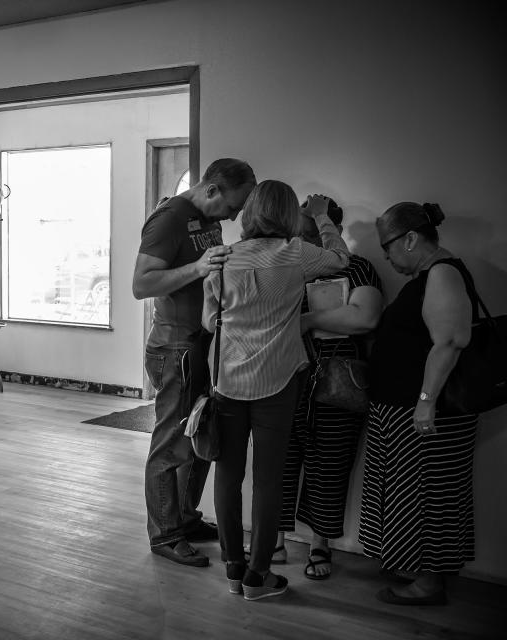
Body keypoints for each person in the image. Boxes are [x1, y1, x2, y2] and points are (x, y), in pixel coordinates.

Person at [202, 182, 349, 601]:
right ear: (287, 215)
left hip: (227, 380)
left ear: (248, 212)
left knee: (228, 475)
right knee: (268, 480)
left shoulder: (223, 256)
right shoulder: (294, 253)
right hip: (278, 382)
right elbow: (341, 258)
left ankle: (233, 568)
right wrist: (320, 215)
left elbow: (208, 320)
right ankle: (258, 576)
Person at [132, 158, 256, 567]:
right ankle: (165, 535)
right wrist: (199, 268)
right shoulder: (168, 219)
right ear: (212, 190)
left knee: (201, 435)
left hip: (202, 343)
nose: (235, 215)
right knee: (170, 443)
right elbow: (142, 284)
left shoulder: (206, 218)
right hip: (173, 349)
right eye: (232, 206)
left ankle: (185, 518)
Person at [360, 202, 477, 606]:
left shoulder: (443, 274)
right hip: (402, 411)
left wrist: (425, 402)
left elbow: (450, 341)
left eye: (388, 247)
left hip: (426, 414)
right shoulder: (431, 275)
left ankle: (428, 585)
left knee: (428, 497)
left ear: (410, 239)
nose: (387, 257)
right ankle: (413, 567)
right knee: (415, 496)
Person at [275, 198, 384, 580]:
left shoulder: (357, 268)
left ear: (330, 229)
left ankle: (320, 543)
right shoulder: (286, 266)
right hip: (286, 378)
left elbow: (365, 317)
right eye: (297, 233)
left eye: (309, 232)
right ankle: (275, 536)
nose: (300, 240)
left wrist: (307, 320)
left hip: (338, 381)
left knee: (331, 465)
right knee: (280, 462)